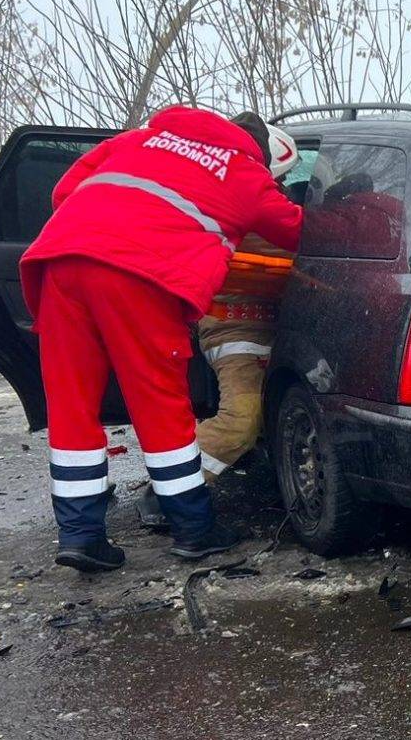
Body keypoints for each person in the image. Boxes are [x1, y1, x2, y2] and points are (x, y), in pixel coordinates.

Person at [20, 107, 303, 573]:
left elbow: (63, 191)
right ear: (259, 154)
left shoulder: (135, 140)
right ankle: (194, 529)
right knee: (160, 407)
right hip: (141, 277)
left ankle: (81, 536)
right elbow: (297, 229)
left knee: (71, 406)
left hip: (61, 261)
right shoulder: (244, 173)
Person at [136, 133, 301, 527]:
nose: (279, 189)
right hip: (236, 328)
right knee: (243, 418)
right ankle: (169, 493)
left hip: (279, 326)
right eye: (275, 181)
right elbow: (291, 242)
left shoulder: (256, 203)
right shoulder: (235, 210)